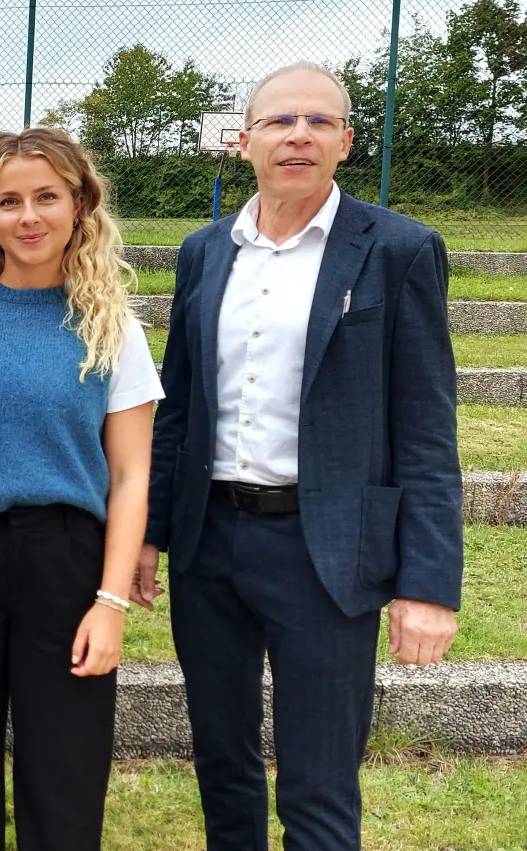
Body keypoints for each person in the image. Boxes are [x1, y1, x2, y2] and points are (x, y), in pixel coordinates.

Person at [141, 62, 463, 851]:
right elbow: (177, 404)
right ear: (244, 141)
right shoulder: (204, 251)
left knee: (319, 783)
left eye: (319, 122)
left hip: (324, 552)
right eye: (280, 121)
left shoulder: (398, 250)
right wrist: (149, 533)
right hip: (210, 543)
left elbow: (427, 428)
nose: (298, 135)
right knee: (222, 760)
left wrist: (428, 584)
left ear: (346, 143)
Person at [0, 128, 160, 849]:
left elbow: (133, 473)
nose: (28, 216)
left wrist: (109, 604)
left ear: (79, 205)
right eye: (9, 201)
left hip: (68, 565)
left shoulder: (110, 328)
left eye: (47, 197)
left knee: (64, 774)